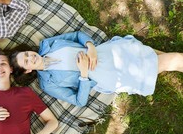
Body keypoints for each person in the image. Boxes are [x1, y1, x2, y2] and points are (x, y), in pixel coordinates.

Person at [10, 31, 183, 107]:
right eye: (27, 61)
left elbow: (77, 35)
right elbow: (79, 101)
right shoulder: (47, 84)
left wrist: (90, 46)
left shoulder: (47, 44)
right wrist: (84, 74)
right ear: (27, 71)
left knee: (154, 57)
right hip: (107, 74)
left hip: (105, 52)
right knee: (168, 60)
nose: (31, 56)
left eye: (27, 53)